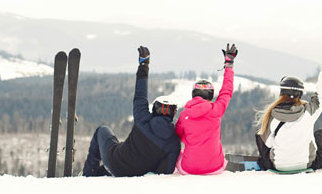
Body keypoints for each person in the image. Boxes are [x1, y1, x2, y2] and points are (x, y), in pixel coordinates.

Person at [81, 46, 181, 177]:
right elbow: (164, 171)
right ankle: (100, 172)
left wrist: (144, 65)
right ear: (173, 114)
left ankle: (89, 173)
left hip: (114, 161)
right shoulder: (173, 142)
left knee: (102, 130)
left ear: (154, 109)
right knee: (120, 147)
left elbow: (140, 94)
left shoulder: (143, 118)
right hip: (135, 173)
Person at [254, 46, 322, 172]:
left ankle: (265, 162)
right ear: (300, 94)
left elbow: (268, 144)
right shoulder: (308, 111)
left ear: (281, 92)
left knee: (260, 134)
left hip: (278, 165)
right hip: (306, 164)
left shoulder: (273, 115)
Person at [174, 43, 238, 175]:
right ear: (210, 94)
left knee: (179, 155)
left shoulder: (184, 114)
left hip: (189, 169)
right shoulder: (217, 109)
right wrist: (229, 64)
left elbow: (177, 137)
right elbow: (227, 90)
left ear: (194, 94)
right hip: (215, 168)